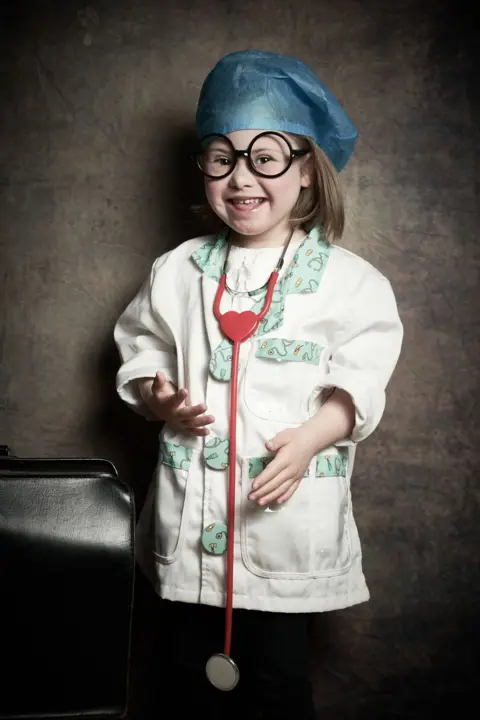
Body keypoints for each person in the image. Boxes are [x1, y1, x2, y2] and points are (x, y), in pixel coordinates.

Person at [114, 50, 403, 719]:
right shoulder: (178, 270)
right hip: (191, 525)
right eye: (221, 157)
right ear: (205, 168)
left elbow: (362, 379)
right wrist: (157, 395)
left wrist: (308, 441)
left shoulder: (350, 281)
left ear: (306, 170)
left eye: (265, 156)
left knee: (274, 683)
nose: (241, 177)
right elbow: (139, 353)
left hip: (283, 526)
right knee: (184, 680)